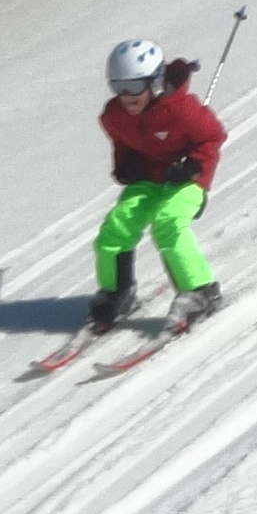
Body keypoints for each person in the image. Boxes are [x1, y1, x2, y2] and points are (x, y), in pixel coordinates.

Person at [89, 38, 227, 334]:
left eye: (134, 86)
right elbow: (123, 144)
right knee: (116, 226)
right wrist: (125, 166)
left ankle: (201, 291)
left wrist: (193, 166)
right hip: (148, 180)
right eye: (118, 86)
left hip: (186, 180)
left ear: (154, 82)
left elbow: (213, 136)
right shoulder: (114, 116)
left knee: (168, 222)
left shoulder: (180, 110)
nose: (127, 96)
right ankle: (118, 292)